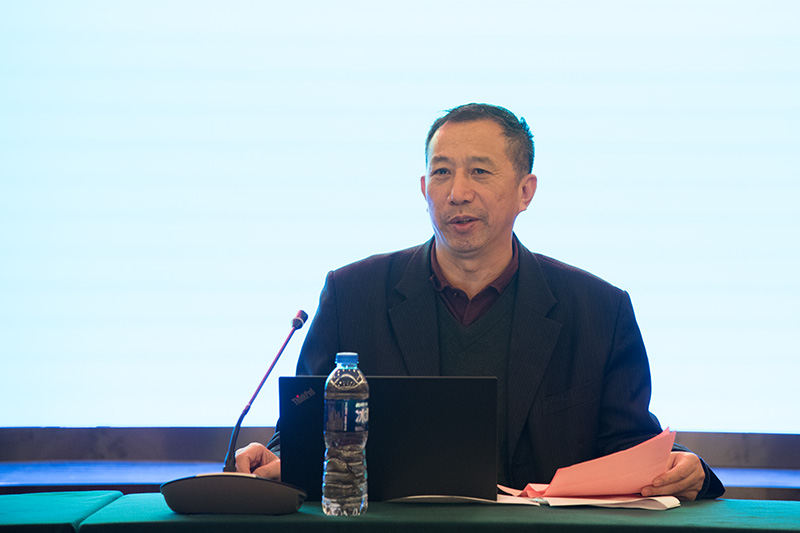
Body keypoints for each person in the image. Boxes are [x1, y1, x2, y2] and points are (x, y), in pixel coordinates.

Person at [236, 103, 725, 500]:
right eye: (441, 172)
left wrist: (686, 468)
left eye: (479, 172)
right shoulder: (352, 294)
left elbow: (629, 448)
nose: (457, 193)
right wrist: (274, 457)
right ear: (424, 189)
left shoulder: (597, 310)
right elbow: (302, 436)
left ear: (525, 191)